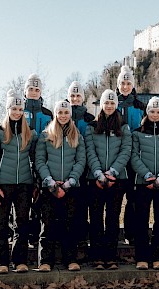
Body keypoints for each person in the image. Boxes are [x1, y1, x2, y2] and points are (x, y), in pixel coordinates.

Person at [0, 89, 38, 274]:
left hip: (24, 184)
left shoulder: (30, 133)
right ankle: (0, 261)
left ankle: (20, 260)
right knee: (1, 224)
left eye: (20, 109)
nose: (17, 112)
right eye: (14, 108)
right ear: (8, 109)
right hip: (3, 185)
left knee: (22, 223)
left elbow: (36, 158)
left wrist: (36, 182)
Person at [35, 100, 86, 272]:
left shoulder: (77, 136)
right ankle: (45, 261)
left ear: (70, 114)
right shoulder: (45, 135)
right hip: (50, 188)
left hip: (70, 187)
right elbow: (40, 161)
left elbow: (81, 161)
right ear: (56, 114)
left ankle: (70, 259)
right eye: (60, 113)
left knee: (70, 224)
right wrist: (50, 182)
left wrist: (69, 182)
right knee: (47, 224)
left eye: (66, 113)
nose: (63, 116)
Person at [85, 89, 132, 270]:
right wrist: (98, 173)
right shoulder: (91, 126)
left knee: (112, 218)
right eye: (106, 103)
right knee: (96, 218)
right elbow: (90, 151)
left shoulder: (124, 126)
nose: (109, 106)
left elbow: (126, 150)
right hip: (95, 179)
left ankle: (110, 256)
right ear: (101, 105)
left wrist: (113, 172)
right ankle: (97, 256)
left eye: (112, 103)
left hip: (117, 179)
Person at [130, 97, 159, 270]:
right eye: (152, 111)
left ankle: (158, 257)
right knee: (141, 220)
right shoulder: (137, 133)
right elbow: (134, 157)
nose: (155, 115)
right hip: (143, 183)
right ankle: (141, 257)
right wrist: (148, 176)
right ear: (147, 112)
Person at [115, 66, 146, 246]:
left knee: (133, 199)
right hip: (117, 159)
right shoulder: (112, 104)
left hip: (134, 159)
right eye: (122, 83)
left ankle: (130, 232)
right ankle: (113, 231)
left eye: (128, 83)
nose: (125, 86)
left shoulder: (140, 106)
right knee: (115, 199)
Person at [23, 73, 53, 248]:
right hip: (22, 161)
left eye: (37, 89)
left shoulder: (48, 114)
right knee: (22, 200)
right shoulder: (18, 111)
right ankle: (19, 233)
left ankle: (36, 235)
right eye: (31, 89)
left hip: (42, 162)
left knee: (39, 200)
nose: (34, 92)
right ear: (25, 91)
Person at [67, 81, 95, 250]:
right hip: (66, 169)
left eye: (78, 96)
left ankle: (82, 238)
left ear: (82, 98)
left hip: (84, 170)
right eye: (72, 95)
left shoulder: (90, 119)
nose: (75, 99)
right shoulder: (62, 115)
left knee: (83, 205)